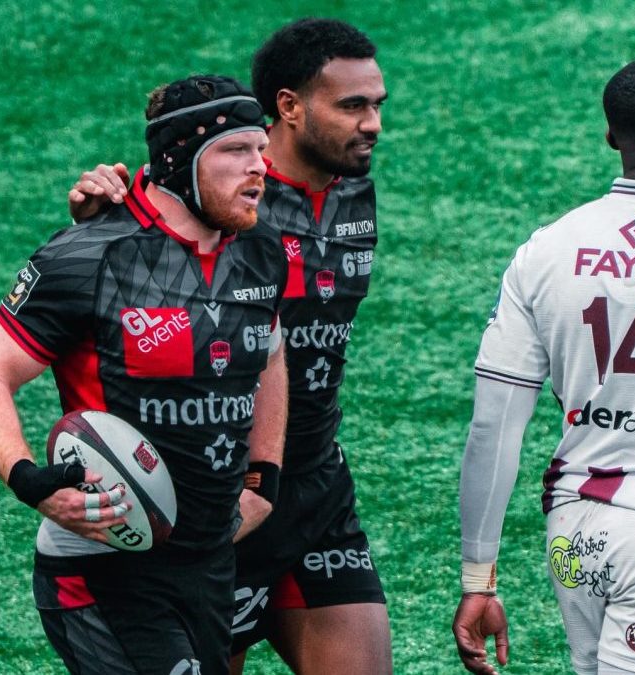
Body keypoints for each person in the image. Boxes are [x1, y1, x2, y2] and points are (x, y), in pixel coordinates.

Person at [66, 18, 392, 675]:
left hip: (313, 486)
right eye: (352, 106)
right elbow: (127, 270)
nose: (373, 124)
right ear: (290, 109)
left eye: (377, 105)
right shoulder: (217, 198)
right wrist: (96, 218)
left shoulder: (353, 185)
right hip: (217, 499)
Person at [0, 75, 290, 675]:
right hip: (104, 565)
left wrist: (263, 476)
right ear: (179, 161)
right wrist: (31, 480)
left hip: (210, 562)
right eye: (236, 150)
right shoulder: (87, 256)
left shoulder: (259, 249)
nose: (258, 166)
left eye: (260, 149)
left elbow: (269, 356)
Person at [452, 56, 635, 675]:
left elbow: (492, 428)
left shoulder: (548, 248)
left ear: (611, 136)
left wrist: (478, 578)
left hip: (574, 534)